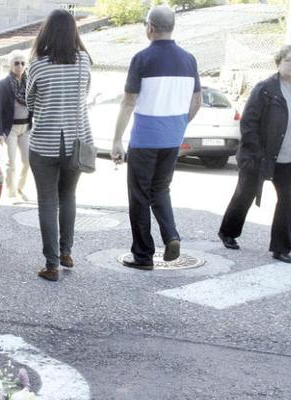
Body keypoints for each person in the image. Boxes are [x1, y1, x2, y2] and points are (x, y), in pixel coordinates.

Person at [111, 5, 201, 270]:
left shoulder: (142, 58)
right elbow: (197, 101)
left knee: (139, 195)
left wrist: (117, 139)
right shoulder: (189, 59)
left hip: (144, 139)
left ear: (150, 27)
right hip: (172, 139)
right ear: (172, 27)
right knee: (160, 189)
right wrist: (179, 124)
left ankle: (143, 255)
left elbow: (128, 103)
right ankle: (171, 235)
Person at [218, 45, 291, 263]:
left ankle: (281, 248)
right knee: (245, 194)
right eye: (288, 60)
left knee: (287, 201)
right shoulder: (265, 89)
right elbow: (249, 123)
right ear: (278, 63)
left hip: (289, 157)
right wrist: (256, 151)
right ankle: (228, 232)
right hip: (259, 156)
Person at [25, 9, 93, 282]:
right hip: (76, 141)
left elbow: (30, 101)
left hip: (44, 141)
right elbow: (84, 96)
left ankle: (51, 265)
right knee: (68, 197)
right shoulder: (84, 61)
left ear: (47, 32)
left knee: (47, 202)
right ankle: (66, 252)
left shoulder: (38, 64)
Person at [0, 50, 32, 201]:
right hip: (11, 129)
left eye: (23, 63)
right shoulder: (3, 85)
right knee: (11, 162)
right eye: (16, 63)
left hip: (26, 128)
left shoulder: (30, 82)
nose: (20, 66)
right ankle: (11, 193)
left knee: (27, 161)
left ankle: (20, 188)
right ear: (10, 65)